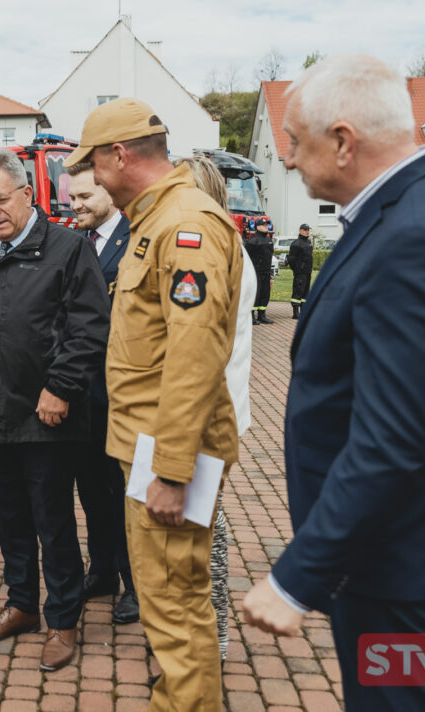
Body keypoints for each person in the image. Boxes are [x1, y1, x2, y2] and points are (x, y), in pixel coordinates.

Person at [240, 55, 425, 712]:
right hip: (384, 544)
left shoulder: (419, 236)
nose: (293, 162)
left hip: (393, 553)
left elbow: (393, 438)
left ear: (342, 140)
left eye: (297, 146)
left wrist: (299, 575)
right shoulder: (421, 208)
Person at [64, 97, 242, 710]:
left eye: (93, 162)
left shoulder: (183, 225)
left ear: (120, 155)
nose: (89, 177)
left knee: (174, 604)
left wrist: (171, 469)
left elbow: (193, 357)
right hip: (148, 449)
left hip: (167, 457)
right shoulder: (157, 217)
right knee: (170, 602)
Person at [0, 147, 109, 672]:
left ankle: (63, 618)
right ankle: (21, 606)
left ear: (28, 195)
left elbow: (89, 326)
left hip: (47, 414)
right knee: (10, 518)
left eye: (0, 199)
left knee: (51, 520)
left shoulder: (67, 248)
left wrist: (59, 387)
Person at [173, 155, 256, 661]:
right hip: (215, 409)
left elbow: (196, 343)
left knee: (200, 526)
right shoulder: (227, 245)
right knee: (201, 521)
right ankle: (207, 632)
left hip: (205, 412)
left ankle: (211, 637)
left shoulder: (209, 248)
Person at [65, 160, 137, 624]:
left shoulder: (135, 241)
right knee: (91, 489)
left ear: (108, 190)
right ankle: (104, 570)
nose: (76, 206)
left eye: (85, 197)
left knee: (123, 493)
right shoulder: (72, 244)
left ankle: (136, 584)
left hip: (120, 393)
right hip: (80, 393)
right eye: (71, 198)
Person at [243, 217, 275, 324]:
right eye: (264, 225)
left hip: (266, 271)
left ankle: (262, 315)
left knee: (265, 294)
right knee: (255, 294)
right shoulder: (252, 241)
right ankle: (251, 317)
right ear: (258, 227)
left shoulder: (269, 241)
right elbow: (246, 258)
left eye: (267, 225)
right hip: (255, 272)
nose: (266, 227)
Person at [288, 223, 313, 319]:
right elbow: (291, 259)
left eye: (308, 230)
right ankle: (295, 312)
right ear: (300, 230)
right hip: (300, 272)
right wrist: (297, 269)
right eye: (305, 230)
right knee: (298, 291)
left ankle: (304, 311)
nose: (307, 231)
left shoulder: (309, 242)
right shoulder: (296, 244)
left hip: (308, 272)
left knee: (306, 292)